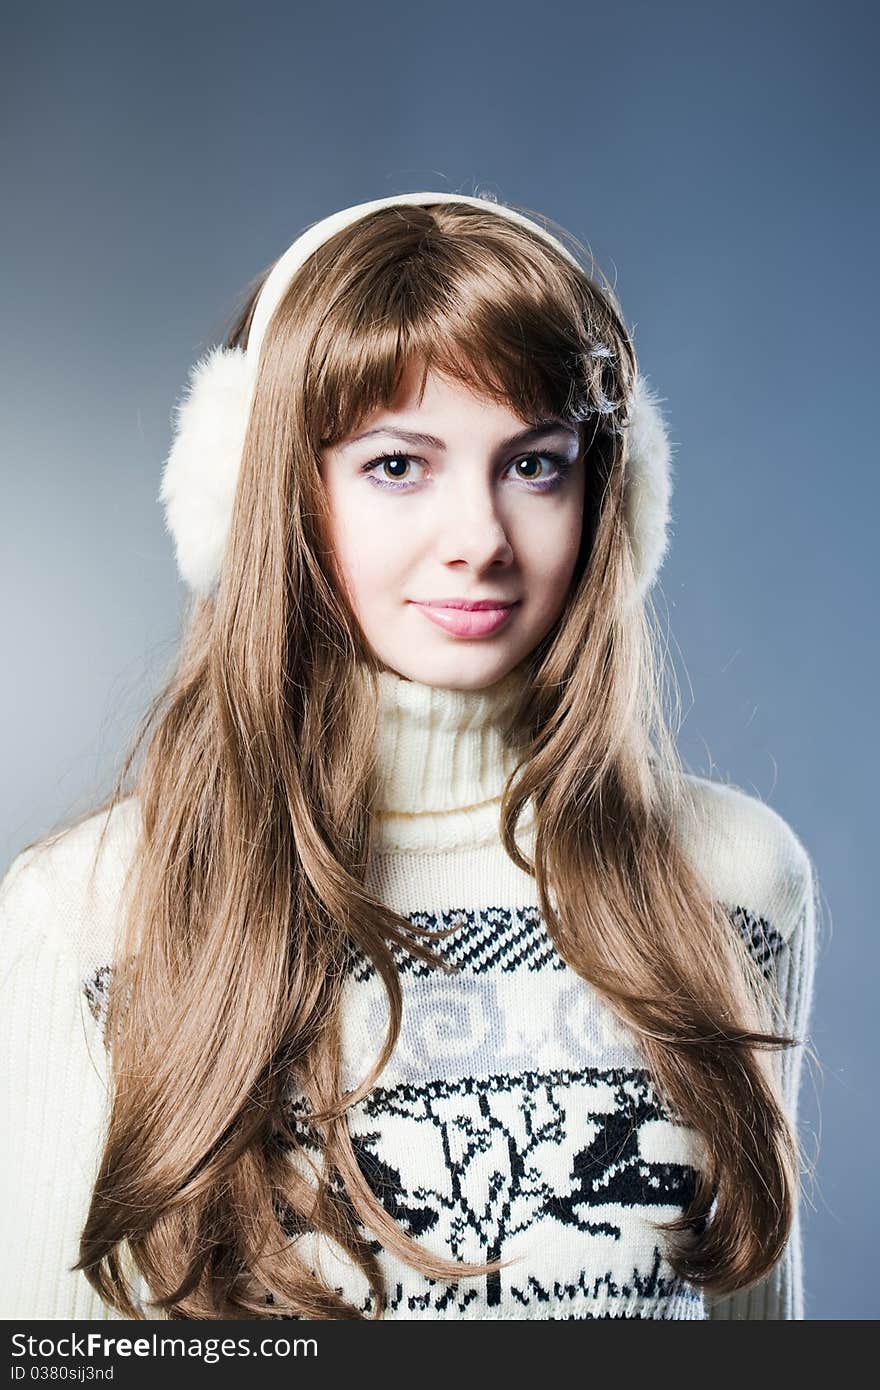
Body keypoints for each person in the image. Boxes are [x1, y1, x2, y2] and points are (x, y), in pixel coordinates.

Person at [0, 191, 819, 1321]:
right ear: (270, 496)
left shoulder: (730, 879)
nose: (478, 538)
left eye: (535, 465)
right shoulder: (85, 911)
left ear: (607, 500)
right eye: (398, 465)